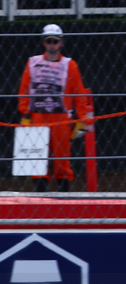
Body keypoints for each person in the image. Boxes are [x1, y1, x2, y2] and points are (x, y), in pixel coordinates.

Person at [18, 24, 89, 191]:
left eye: (55, 41)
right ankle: (39, 192)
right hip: (37, 115)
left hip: (61, 117)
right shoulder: (32, 63)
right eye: (49, 41)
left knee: (62, 156)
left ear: (61, 43)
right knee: (36, 155)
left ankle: (63, 191)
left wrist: (82, 120)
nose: (52, 44)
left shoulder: (70, 65)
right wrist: (25, 114)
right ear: (44, 42)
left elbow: (78, 93)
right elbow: (24, 89)